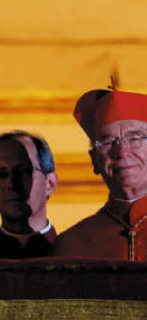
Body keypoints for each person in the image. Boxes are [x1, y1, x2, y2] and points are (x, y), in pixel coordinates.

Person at [52, 86, 147, 260]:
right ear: (94, 160)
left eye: (135, 138)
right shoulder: (71, 244)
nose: (122, 152)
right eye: (108, 141)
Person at [0, 130, 58, 260]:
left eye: (24, 171)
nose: (12, 184)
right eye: (0, 175)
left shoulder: (82, 257)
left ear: (50, 183)